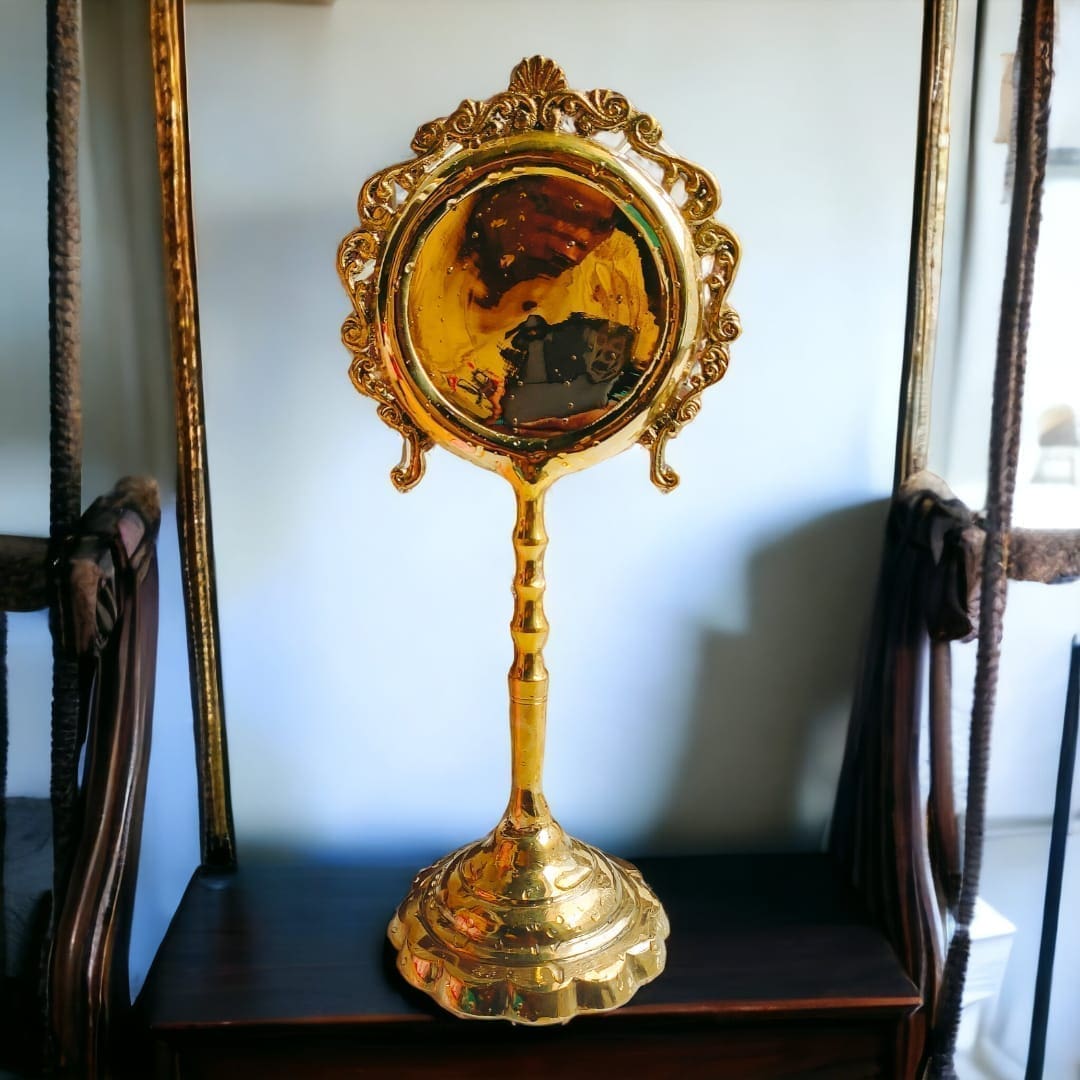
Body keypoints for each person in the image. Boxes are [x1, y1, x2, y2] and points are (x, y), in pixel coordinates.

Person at [408, 174, 662, 430]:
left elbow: (650, 365)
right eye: (549, 210)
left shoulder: (614, 259)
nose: (570, 253)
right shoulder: (427, 246)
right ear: (504, 196)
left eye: (600, 226)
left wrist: (611, 414)